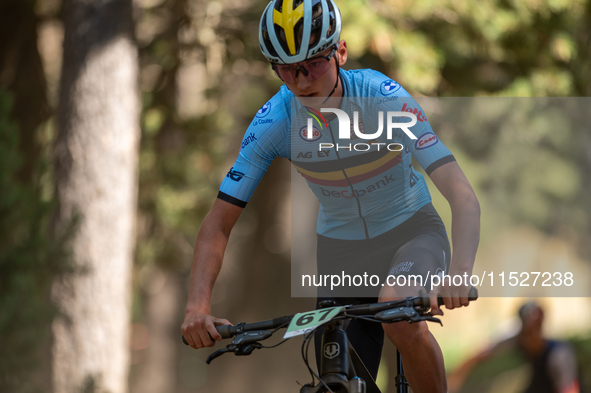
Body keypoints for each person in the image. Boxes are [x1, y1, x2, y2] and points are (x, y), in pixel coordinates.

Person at [181, 1, 480, 392]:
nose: (303, 81)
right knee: (335, 374)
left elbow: (461, 194)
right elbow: (218, 224)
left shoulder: (381, 97)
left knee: (399, 318)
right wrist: (196, 307)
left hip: (411, 231)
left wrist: (459, 272)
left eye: (315, 63)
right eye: (288, 69)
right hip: (342, 249)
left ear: (340, 52)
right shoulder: (274, 121)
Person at [447, 301, 580, 393]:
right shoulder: (516, 340)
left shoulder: (559, 354)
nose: (532, 336)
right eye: (529, 330)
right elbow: (481, 354)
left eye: (536, 328)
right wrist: (455, 379)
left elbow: (569, 388)